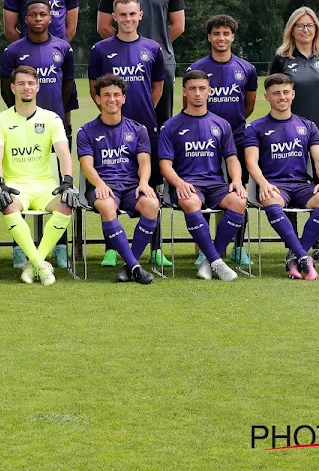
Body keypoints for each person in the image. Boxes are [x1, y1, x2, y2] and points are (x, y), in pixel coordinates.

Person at [88, 0, 167, 268]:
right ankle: (111, 249)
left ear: (140, 16)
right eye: (122, 15)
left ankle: (155, 248)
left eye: (132, 14)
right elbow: (94, 89)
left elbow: (157, 87)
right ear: (114, 17)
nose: (128, 19)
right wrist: (113, 110)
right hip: (110, 125)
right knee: (108, 182)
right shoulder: (101, 49)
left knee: (148, 186)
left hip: (144, 127)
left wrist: (141, 109)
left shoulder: (153, 48)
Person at [0, 65, 82, 285]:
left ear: (38, 87)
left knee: (65, 206)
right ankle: (40, 265)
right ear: (12, 88)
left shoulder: (52, 119)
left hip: (44, 186)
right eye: (21, 84)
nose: (26, 88)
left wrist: (67, 182)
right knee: (9, 206)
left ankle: (33, 263)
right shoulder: (0, 121)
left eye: (30, 83)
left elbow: (64, 154)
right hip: (16, 186)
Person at [242, 73, 319, 281]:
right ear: (267, 97)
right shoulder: (256, 127)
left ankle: (295, 255)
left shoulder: (308, 126)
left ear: (293, 94)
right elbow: (251, 162)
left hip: (302, 185)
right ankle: (303, 256)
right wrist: (263, 184)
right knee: (270, 199)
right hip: (274, 185)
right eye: (276, 93)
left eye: (285, 92)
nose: (281, 97)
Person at [268, 6, 319, 258]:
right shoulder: (281, 59)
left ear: (316, 30)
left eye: (310, 26)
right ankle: (296, 246)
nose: (305, 30)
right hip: (288, 133)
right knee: (293, 186)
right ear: (292, 29)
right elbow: (276, 92)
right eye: (300, 26)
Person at [157, 70, 246, 281]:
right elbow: (164, 164)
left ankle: (209, 260)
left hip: (216, 184)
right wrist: (178, 183)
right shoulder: (171, 126)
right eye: (192, 89)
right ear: (184, 92)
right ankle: (217, 262)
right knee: (190, 202)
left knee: (239, 202)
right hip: (188, 183)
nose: (197, 93)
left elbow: (232, 158)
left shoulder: (221, 124)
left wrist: (236, 181)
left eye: (202, 88)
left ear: (209, 91)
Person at [97, 0, 186, 130]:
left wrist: (150, 49)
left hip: (162, 61)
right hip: (122, 63)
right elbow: (103, 25)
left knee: (161, 122)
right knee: (118, 118)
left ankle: (158, 161)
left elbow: (178, 25)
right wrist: (126, 45)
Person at [75, 75, 158, 285]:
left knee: (151, 204)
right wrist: (100, 184)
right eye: (106, 95)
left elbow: (145, 162)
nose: (111, 99)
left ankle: (130, 265)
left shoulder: (138, 129)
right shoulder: (86, 131)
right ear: (98, 99)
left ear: (123, 99)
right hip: (103, 186)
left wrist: (144, 183)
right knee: (107, 206)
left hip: (131, 186)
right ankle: (136, 267)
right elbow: (86, 165)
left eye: (116, 95)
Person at [190, 14, 258, 265]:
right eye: (216, 33)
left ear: (232, 37)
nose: (221, 38)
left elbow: (248, 105)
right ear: (209, 37)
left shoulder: (246, 69)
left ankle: (238, 247)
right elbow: (191, 104)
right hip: (204, 141)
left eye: (226, 34)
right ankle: (203, 250)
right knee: (204, 191)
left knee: (238, 192)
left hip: (237, 139)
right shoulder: (198, 68)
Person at [0, 0, 76, 129]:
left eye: (43, 14)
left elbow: (68, 84)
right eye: (32, 15)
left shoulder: (64, 48)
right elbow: (6, 89)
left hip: (55, 121)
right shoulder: (12, 51)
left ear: (50, 18)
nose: (38, 18)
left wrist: (57, 107)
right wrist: (20, 112)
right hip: (24, 122)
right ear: (25, 19)